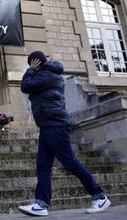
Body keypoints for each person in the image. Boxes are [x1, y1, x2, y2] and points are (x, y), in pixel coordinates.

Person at [18, 51, 111, 216]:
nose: (30, 67)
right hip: (48, 126)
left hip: (56, 126)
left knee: (70, 163)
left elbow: (25, 86)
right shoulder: (47, 75)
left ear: (36, 62)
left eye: (31, 64)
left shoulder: (47, 75)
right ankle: (41, 204)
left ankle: (99, 196)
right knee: (42, 166)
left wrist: (30, 70)